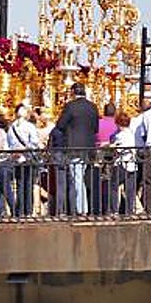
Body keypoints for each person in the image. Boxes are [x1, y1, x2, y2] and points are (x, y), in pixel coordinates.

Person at [53, 83, 98, 215]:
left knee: (77, 178)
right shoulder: (93, 107)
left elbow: (60, 125)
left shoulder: (71, 106)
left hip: (74, 146)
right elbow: (95, 128)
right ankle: (80, 207)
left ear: (73, 92)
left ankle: (81, 209)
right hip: (88, 146)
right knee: (80, 176)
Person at [7, 104, 41, 217]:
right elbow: (35, 142)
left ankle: (20, 210)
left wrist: (15, 151)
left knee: (20, 184)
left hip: (17, 158)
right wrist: (27, 148)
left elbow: (9, 143)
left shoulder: (11, 127)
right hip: (28, 157)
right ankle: (28, 210)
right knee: (28, 185)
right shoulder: (30, 126)